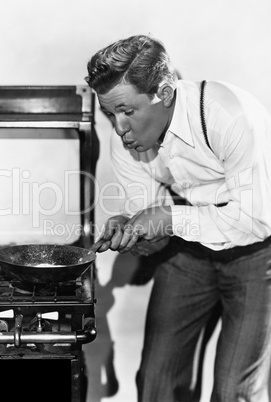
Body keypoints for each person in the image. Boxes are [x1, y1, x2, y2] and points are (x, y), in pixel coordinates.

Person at [85, 34, 271, 402]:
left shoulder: (230, 115)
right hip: (188, 256)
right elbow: (157, 229)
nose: (120, 129)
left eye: (128, 111)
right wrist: (135, 230)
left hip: (258, 255)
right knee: (156, 385)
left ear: (165, 92)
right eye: (110, 114)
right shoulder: (127, 143)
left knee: (235, 392)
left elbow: (255, 221)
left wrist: (167, 219)